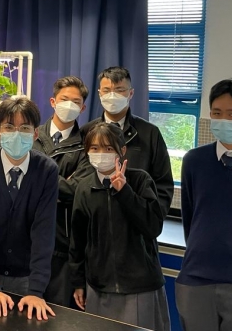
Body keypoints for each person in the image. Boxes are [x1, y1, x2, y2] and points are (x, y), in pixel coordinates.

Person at [175, 79, 232, 331]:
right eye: (216, 113)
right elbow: (191, 217)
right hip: (196, 279)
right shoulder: (194, 161)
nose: (223, 120)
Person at [0, 97, 58, 321]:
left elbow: (44, 233)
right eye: (9, 127)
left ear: (35, 134)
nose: (16, 133)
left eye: (24, 128)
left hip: (25, 276)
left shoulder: (47, 170)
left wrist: (36, 291)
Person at [69, 122, 170, 331]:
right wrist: (78, 282)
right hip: (99, 286)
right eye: (95, 148)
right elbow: (77, 241)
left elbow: (152, 226)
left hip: (139, 286)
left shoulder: (140, 180)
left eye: (108, 148)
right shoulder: (84, 188)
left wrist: (124, 191)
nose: (101, 154)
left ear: (122, 151)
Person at [81, 66, 174, 218]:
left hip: (137, 219)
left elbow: (163, 183)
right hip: (96, 219)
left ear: (131, 93)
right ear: (99, 94)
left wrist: (152, 218)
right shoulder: (87, 131)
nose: (112, 96)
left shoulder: (150, 133)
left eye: (119, 90)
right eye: (106, 90)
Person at [32, 76, 93, 307]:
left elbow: (77, 190)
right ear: (52, 101)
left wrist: (37, 175)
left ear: (83, 108)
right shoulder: (31, 135)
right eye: (64, 99)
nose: (69, 105)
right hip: (26, 239)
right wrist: (60, 183)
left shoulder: (87, 146)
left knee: (56, 314)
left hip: (62, 243)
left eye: (75, 102)